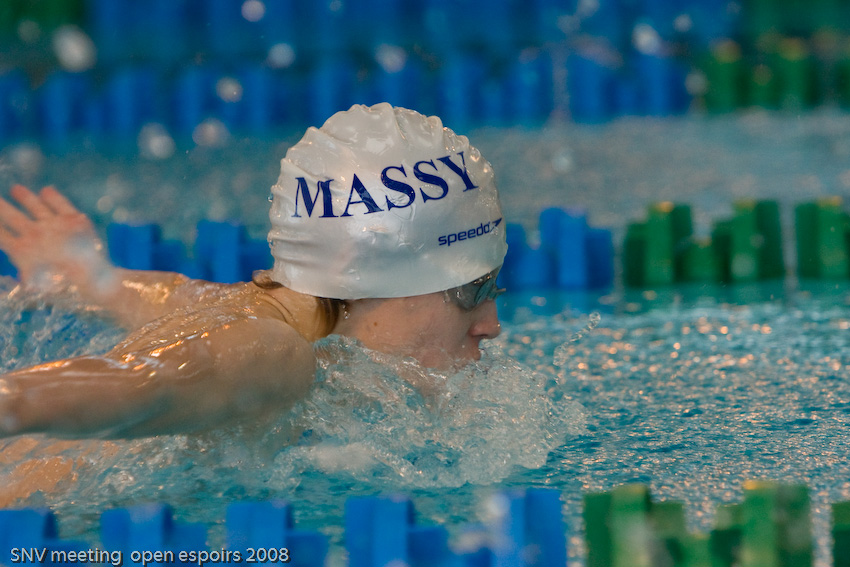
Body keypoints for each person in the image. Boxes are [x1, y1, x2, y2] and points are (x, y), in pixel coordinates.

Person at [0, 103, 507, 439]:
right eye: (470, 291)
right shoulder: (274, 354)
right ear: (371, 277)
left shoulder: (253, 313)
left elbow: (168, 297)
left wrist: (88, 279)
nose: (491, 325)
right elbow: (139, 383)